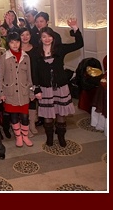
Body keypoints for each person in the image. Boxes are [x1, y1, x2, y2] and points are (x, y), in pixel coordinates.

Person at [33, 19, 84, 147]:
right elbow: (34, 72)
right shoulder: (36, 52)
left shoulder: (60, 49)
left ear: (53, 37)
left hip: (60, 86)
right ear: (40, 38)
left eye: (50, 36)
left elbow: (79, 44)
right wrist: (36, 89)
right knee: (48, 114)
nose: (47, 39)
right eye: (44, 37)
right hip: (45, 88)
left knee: (61, 113)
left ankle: (61, 137)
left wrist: (75, 28)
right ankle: (49, 137)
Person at [0, 32, 35, 148]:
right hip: (10, 93)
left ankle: (25, 136)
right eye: (12, 42)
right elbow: (0, 77)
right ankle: (18, 137)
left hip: (23, 92)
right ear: (8, 43)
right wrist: (1, 93)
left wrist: (31, 91)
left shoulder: (26, 57)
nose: (15, 44)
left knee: (24, 116)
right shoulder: (4, 58)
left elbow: (29, 76)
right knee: (13, 116)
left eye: (17, 42)